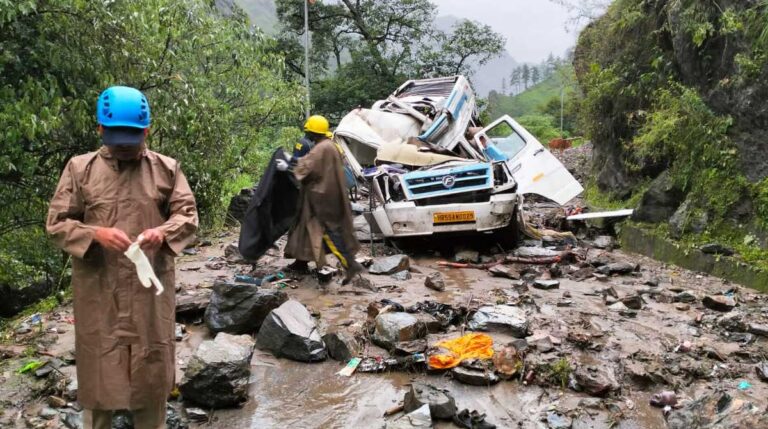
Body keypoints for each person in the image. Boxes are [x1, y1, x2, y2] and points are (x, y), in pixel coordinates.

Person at [46, 86, 198, 429]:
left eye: (132, 136)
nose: (124, 145)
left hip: (149, 291)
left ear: (146, 131)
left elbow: (187, 215)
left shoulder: (166, 169)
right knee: (101, 376)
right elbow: (56, 223)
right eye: (116, 136)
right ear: (100, 129)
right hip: (100, 290)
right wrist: (94, 234)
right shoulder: (79, 169)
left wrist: (163, 232)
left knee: (151, 372)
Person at [279, 115, 363, 283]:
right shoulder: (331, 146)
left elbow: (309, 167)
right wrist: (293, 160)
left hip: (321, 200)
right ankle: (300, 262)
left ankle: (350, 265)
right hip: (328, 195)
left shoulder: (321, 148)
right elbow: (312, 163)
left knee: (326, 234)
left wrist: (288, 165)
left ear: (312, 132)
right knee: (304, 230)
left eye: (309, 131)